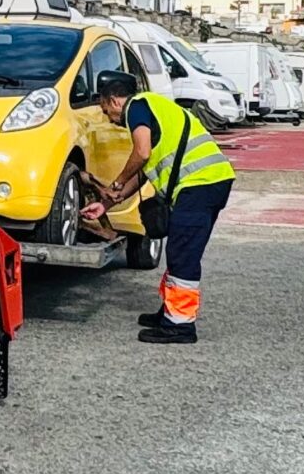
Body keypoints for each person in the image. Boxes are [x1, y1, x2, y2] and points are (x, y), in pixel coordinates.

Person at [85, 70, 236, 345]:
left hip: (200, 185)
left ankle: (180, 326)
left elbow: (141, 153)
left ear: (115, 100)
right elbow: (144, 170)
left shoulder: (138, 106)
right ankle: (170, 313)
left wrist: (116, 183)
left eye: (106, 110)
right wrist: (106, 203)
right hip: (208, 183)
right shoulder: (154, 109)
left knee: (182, 252)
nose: (109, 118)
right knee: (181, 248)